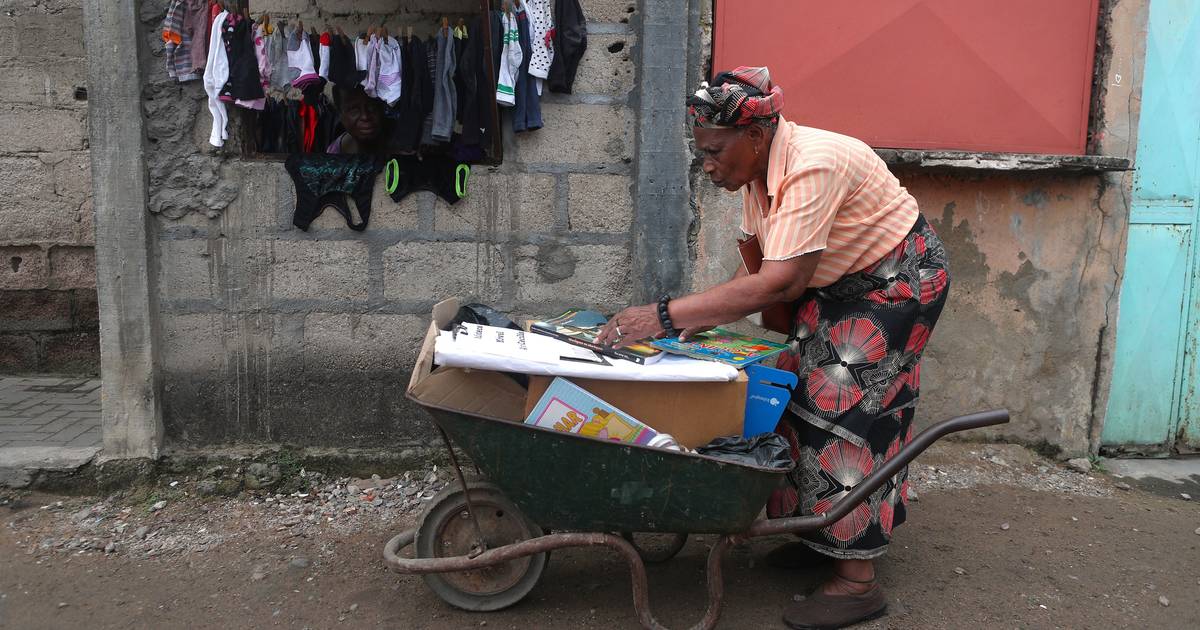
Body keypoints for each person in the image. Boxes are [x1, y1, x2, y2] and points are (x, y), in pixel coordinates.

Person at [597, 66, 950, 629]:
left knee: (843, 411)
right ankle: (816, 534)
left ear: (756, 135)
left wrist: (664, 315)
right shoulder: (760, 174)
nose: (707, 165)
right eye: (702, 152)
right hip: (839, 284)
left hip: (895, 284)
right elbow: (764, 268)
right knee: (788, 391)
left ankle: (856, 581)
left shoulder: (812, 164)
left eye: (714, 151)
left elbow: (779, 282)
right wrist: (714, 322)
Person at [326, 84, 387, 154]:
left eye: (372, 107)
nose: (365, 116)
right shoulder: (335, 151)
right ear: (340, 114)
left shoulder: (397, 145)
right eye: (354, 110)